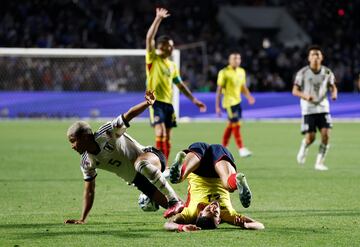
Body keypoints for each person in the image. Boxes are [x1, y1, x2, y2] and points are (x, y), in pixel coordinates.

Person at [64, 91, 184, 224]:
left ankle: (171, 187)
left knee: (140, 165)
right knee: (182, 215)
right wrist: (83, 219)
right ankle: (189, 208)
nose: (73, 146)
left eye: (73, 141)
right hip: (139, 181)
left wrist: (147, 103)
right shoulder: (86, 162)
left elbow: (128, 115)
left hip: (150, 157)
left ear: (85, 137)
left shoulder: (107, 133)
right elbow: (89, 190)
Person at [145, 8, 207, 168]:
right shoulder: (153, 58)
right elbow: (149, 37)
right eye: (169, 46)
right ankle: (159, 165)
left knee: (168, 137)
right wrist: (158, 19)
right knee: (160, 133)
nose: (172, 49)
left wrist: (194, 100)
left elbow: (180, 84)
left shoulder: (172, 65)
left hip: (168, 104)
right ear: (160, 47)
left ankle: (164, 166)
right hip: (155, 102)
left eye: (172, 46)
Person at [163, 142, 264, 231]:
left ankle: (180, 174)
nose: (213, 207)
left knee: (197, 148)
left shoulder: (190, 213)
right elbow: (259, 225)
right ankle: (236, 181)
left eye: (208, 210)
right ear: (219, 219)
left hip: (199, 169)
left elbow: (168, 224)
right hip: (219, 171)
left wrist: (181, 227)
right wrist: (245, 224)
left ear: (200, 212)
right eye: (215, 213)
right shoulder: (228, 215)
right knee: (227, 183)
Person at [292, 45, 338, 171]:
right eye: (313, 54)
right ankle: (304, 145)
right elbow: (295, 91)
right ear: (309, 58)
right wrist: (305, 95)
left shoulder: (327, 72)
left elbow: (333, 86)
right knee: (311, 137)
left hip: (323, 107)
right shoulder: (302, 73)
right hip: (308, 108)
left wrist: (334, 93)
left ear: (321, 57)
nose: (315, 57)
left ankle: (319, 163)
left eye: (318, 54)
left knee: (326, 135)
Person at [215, 51, 255, 158]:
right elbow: (219, 89)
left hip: (238, 101)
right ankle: (241, 148)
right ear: (229, 60)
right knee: (236, 124)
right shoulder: (224, 72)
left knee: (231, 125)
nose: (237, 61)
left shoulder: (241, 71)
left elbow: (243, 86)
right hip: (229, 103)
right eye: (234, 59)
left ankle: (222, 148)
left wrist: (249, 96)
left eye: (238, 59)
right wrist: (217, 106)